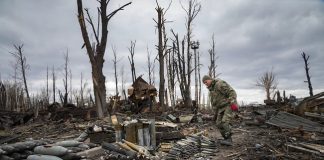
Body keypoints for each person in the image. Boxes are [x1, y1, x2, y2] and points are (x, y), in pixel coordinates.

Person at [202, 75, 238, 146]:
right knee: (218, 123)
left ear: (210, 79)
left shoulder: (219, 83)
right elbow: (215, 104)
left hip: (229, 105)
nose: (206, 84)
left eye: (206, 82)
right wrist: (215, 115)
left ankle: (229, 139)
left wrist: (232, 103)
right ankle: (226, 138)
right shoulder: (211, 90)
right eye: (204, 83)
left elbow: (232, 92)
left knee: (225, 121)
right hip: (221, 108)